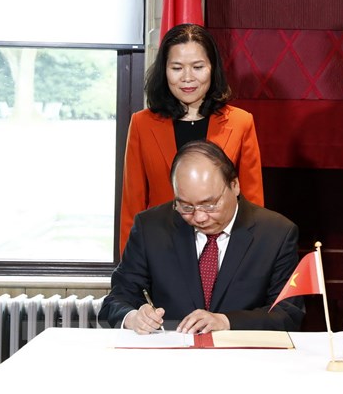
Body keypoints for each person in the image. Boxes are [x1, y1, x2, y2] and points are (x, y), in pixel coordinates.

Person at [100, 140, 303, 333]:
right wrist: (133, 317)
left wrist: (226, 321)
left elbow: (287, 314)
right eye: (186, 207)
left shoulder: (277, 234)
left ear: (234, 185)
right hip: (170, 351)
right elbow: (115, 301)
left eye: (209, 205)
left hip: (241, 354)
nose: (199, 217)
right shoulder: (150, 227)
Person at [119, 23, 264, 255]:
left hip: (222, 251)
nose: (187, 78)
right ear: (164, 71)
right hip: (161, 249)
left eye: (197, 67)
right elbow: (132, 204)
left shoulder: (241, 122)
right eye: (177, 68)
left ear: (212, 68)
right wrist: (130, 266)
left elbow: (253, 205)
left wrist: (253, 259)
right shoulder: (142, 124)